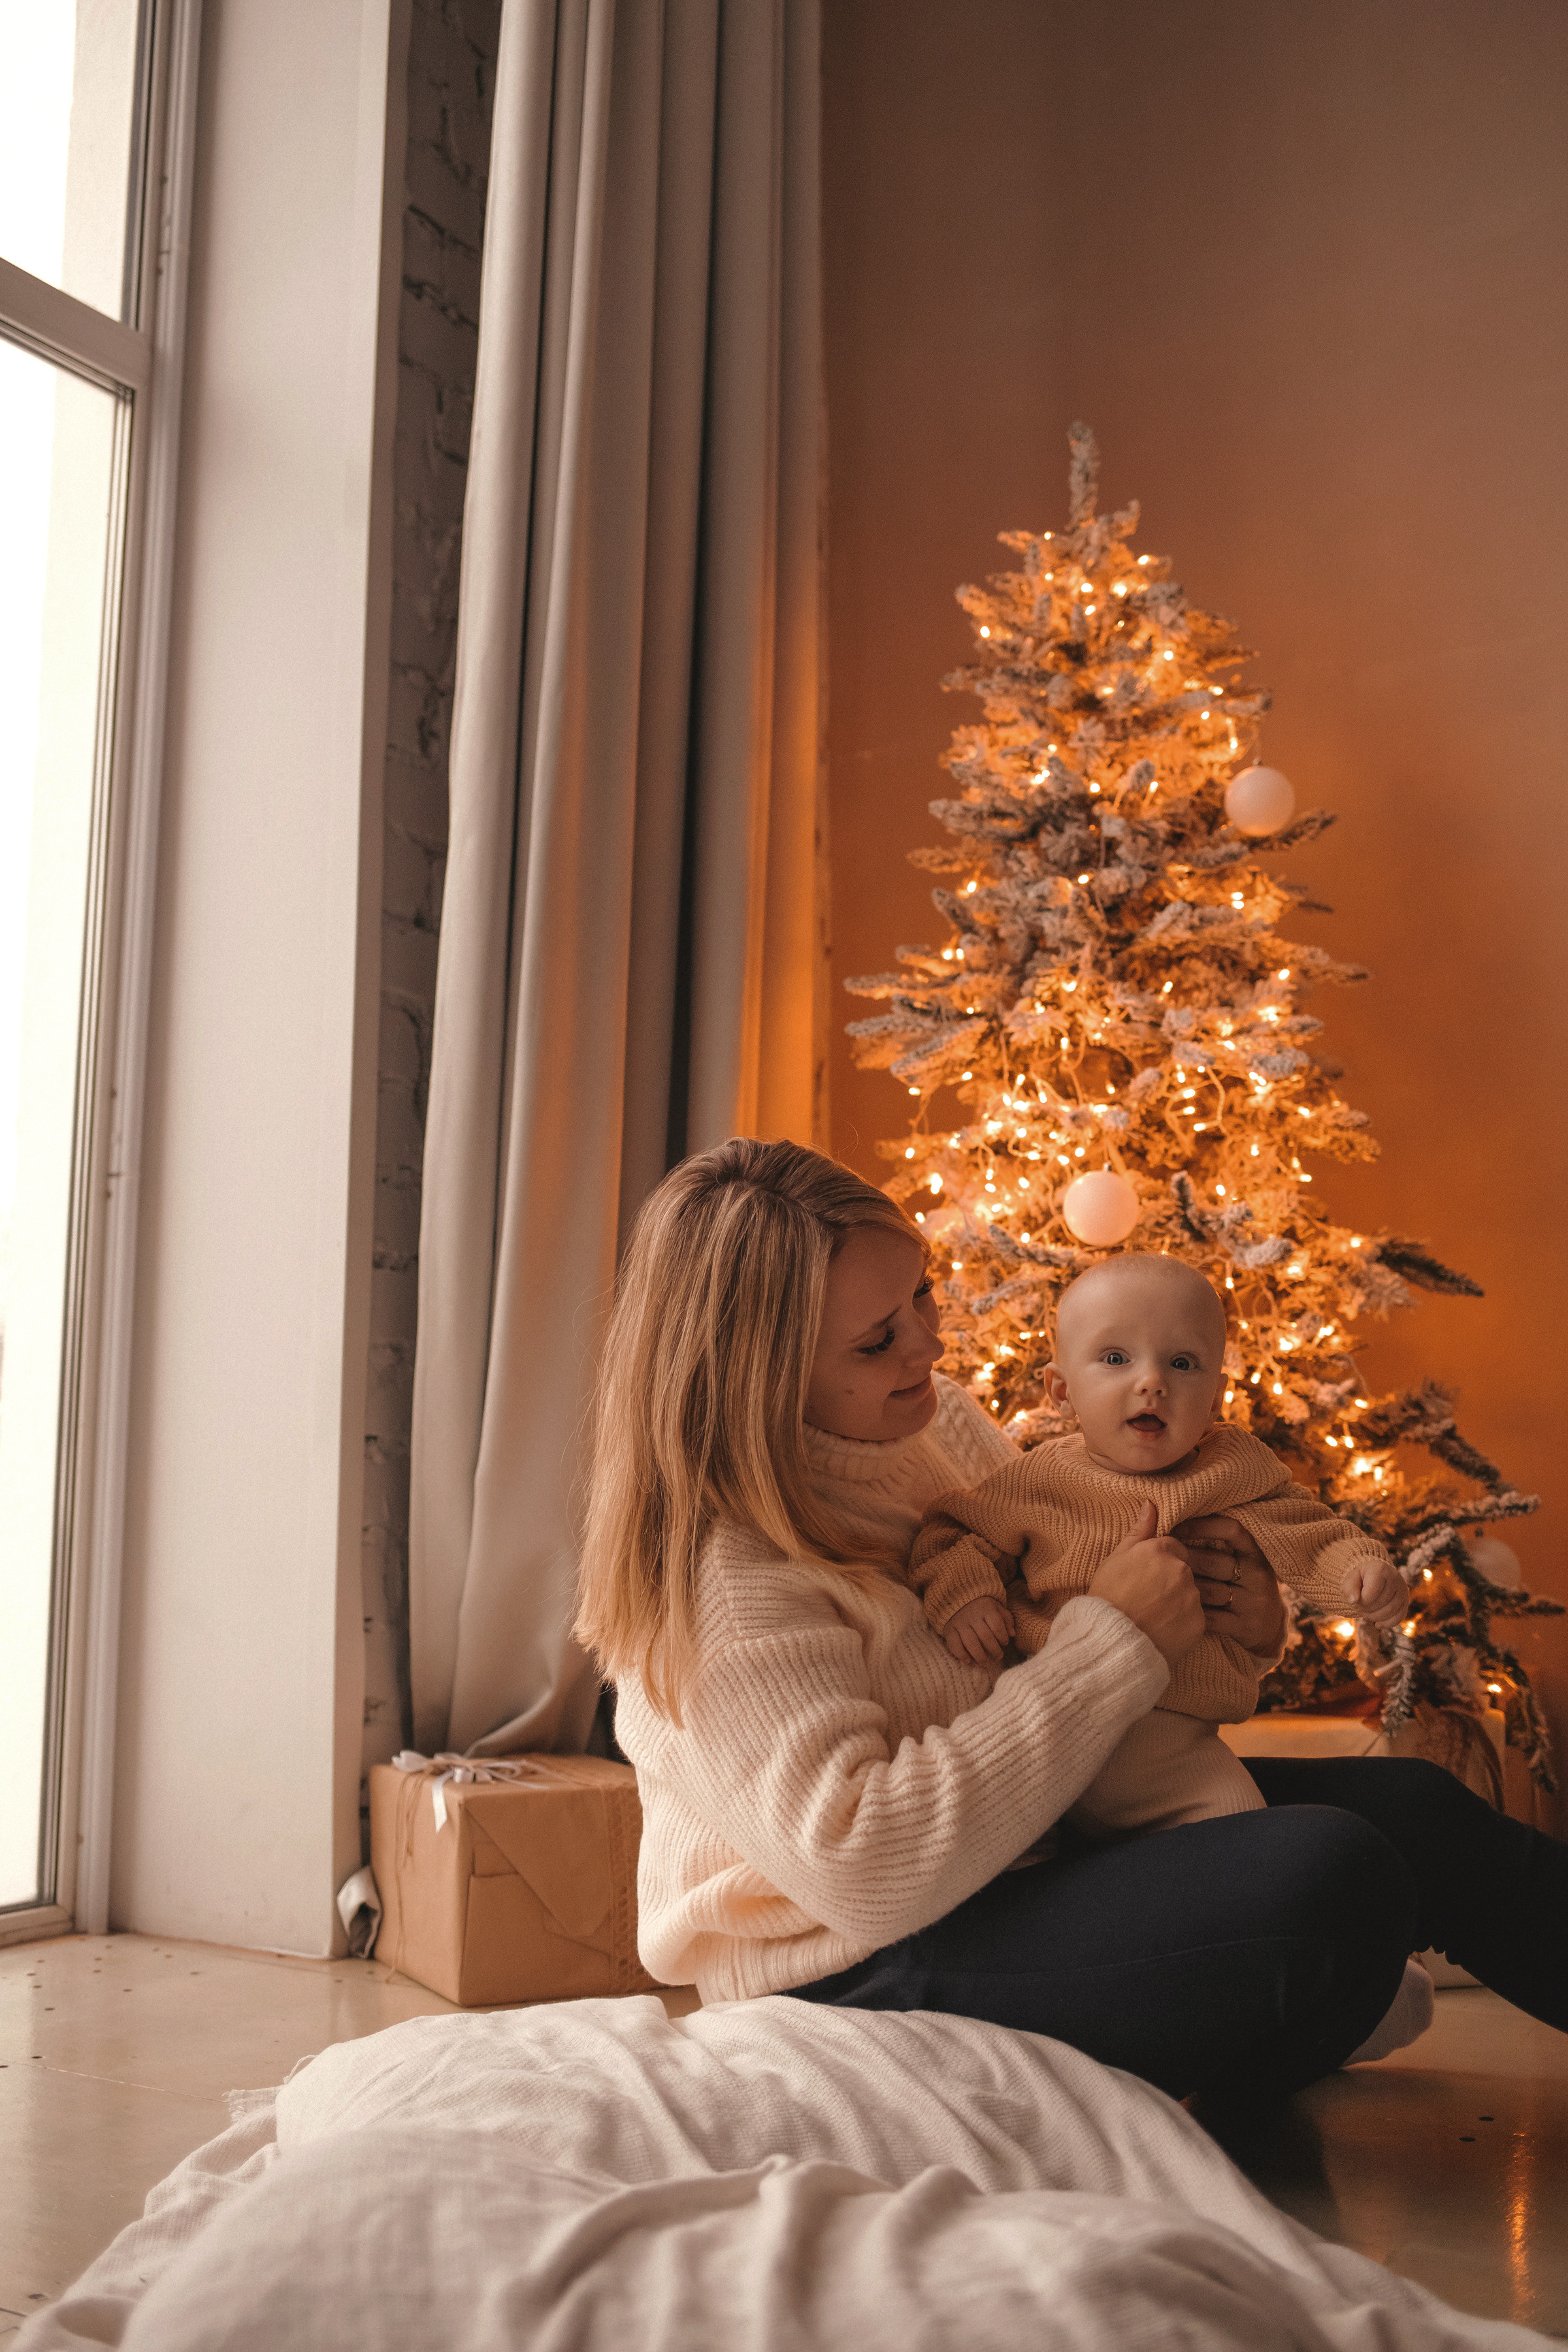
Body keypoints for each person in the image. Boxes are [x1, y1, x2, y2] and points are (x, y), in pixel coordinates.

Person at [576, 1137, 1568, 2105]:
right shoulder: (724, 1573)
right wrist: (1117, 1639)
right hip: (857, 1968)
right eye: (877, 1340)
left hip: (1037, 1841)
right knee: (1326, 1876)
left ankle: (1286, 2012)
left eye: (918, 1295)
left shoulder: (935, 1422)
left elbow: (1090, 1617)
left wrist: (1241, 1618)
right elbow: (864, 1867)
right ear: (763, 1375)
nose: (929, 1343)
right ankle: (1284, 2019)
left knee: (1416, 1813)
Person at [908, 1252, 1407, 1840]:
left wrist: (1360, 1572)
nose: (1153, 1382)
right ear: (1060, 1391)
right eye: (1116, 1359)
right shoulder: (1037, 1481)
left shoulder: (1232, 1468)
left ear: (1217, 1395)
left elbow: (1311, 1533)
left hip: (1175, 1744)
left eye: (1183, 1362)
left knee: (1240, 1831)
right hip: (1057, 1734)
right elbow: (954, 1535)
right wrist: (965, 1597)